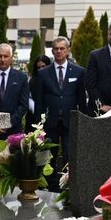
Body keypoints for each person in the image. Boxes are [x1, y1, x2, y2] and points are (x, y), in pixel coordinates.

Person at [33, 37, 87, 165]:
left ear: (68, 50)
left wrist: (83, 121)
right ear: (52, 51)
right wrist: (38, 125)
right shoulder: (43, 73)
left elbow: (81, 99)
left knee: (70, 154)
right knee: (48, 156)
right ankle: (50, 185)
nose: (59, 51)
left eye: (62, 48)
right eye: (56, 49)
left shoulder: (78, 72)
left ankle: (69, 183)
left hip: (70, 122)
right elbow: (38, 101)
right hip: (50, 122)